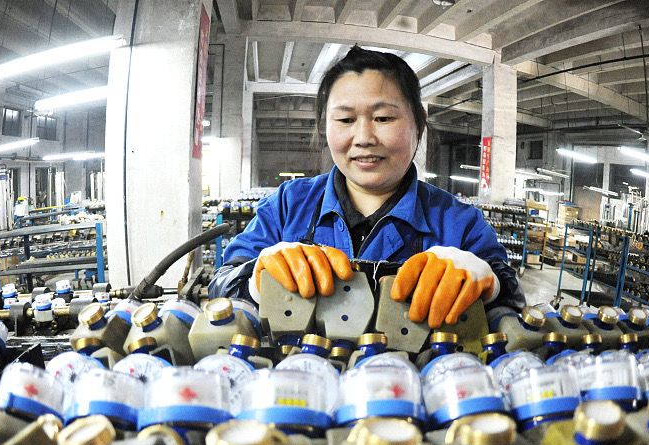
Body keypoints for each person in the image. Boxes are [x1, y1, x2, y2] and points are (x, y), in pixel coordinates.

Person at [209, 46, 524, 329]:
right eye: (345, 120)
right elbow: (221, 285)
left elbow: (513, 301)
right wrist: (255, 280)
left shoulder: (461, 223)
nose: (363, 138)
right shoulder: (287, 206)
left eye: (383, 118)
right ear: (325, 125)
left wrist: (491, 284)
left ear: (418, 121)